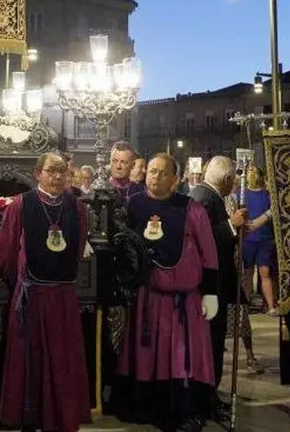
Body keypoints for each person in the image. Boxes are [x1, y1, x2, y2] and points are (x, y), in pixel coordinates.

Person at [113, 153, 219, 432]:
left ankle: (186, 412)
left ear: (175, 178)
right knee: (146, 357)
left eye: (162, 172)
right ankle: (147, 409)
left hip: (182, 302)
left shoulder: (192, 209)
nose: (155, 176)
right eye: (152, 171)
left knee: (182, 358)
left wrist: (210, 292)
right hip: (147, 299)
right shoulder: (133, 205)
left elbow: (208, 252)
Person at [0, 152, 90, 432]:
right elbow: (5, 251)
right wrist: (22, 278)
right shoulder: (20, 205)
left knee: (62, 359)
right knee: (30, 359)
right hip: (32, 294)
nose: (58, 176)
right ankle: (30, 418)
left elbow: (77, 248)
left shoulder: (77, 208)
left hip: (63, 294)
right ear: (38, 173)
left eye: (62, 171)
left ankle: (60, 417)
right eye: (51, 171)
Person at [185, 156, 245, 422]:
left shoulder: (208, 196)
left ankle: (209, 396)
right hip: (208, 286)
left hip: (214, 284)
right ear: (228, 179)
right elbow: (202, 240)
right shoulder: (203, 198)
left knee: (214, 343)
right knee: (209, 344)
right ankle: (205, 401)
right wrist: (231, 225)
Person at [240, 165, 277, 315]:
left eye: (254, 172)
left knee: (264, 272)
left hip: (264, 238)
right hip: (248, 238)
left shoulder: (267, 195)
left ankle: (270, 305)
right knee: (247, 272)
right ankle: (247, 303)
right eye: (249, 172)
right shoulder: (241, 193)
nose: (251, 174)